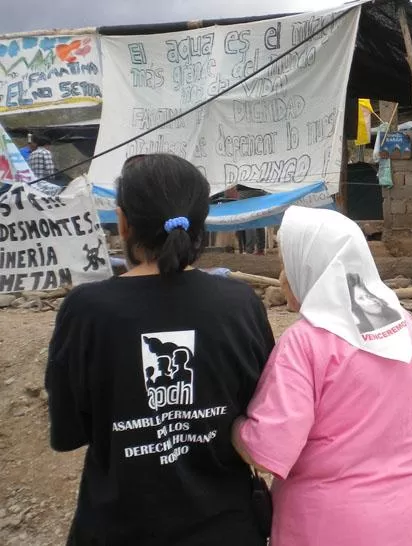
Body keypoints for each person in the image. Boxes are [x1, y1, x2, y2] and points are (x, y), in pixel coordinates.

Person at [45, 153, 275, 546]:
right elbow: (264, 414)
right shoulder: (240, 304)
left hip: (116, 529)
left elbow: (68, 432)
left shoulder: (86, 310)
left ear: (123, 222)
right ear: (202, 225)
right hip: (227, 529)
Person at [232, 206, 412, 546]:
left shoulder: (305, 342)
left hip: (327, 525)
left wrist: (234, 429)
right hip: (408, 522)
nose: (283, 277)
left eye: (288, 264)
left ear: (313, 267)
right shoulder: (401, 324)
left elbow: (266, 450)